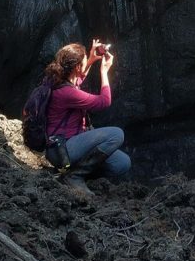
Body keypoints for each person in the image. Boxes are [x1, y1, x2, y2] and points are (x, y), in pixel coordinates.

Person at [30, 41, 131, 177]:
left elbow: (78, 78)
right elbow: (104, 101)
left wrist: (90, 60)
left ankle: (75, 172)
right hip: (63, 150)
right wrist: (104, 72)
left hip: (65, 145)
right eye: (83, 62)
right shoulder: (67, 93)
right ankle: (76, 175)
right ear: (77, 67)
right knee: (116, 134)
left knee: (122, 163)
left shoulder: (57, 80)